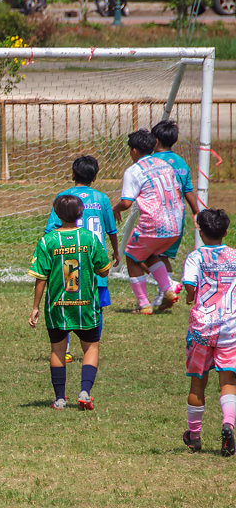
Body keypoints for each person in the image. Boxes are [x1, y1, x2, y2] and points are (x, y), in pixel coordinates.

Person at [29, 194, 112, 410]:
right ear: (81, 214)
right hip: (85, 304)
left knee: (57, 350)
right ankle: (84, 391)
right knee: (91, 347)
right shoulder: (90, 238)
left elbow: (41, 277)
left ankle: (60, 399)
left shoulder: (47, 241)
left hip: (57, 306)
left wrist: (36, 307)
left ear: (56, 214)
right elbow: (103, 268)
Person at [45, 156, 120, 363]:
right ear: (95, 177)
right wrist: (116, 251)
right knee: (97, 305)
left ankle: (65, 349)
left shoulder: (63, 196)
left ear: (73, 174)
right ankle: (92, 346)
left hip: (71, 261)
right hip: (96, 262)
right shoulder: (103, 199)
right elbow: (111, 229)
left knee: (68, 300)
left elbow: (50, 229)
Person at [180, 208, 236, 456]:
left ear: (200, 232)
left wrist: (191, 297)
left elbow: (190, 287)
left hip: (203, 328)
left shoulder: (195, 257)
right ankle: (228, 424)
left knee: (197, 383)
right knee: (228, 382)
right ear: (226, 232)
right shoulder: (234, 256)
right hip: (231, 328)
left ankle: (194, 436)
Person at [112, 129, 185, 315]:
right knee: (149, 254)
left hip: (154, 223)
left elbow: (126, 202)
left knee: (131, 257)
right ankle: (167, 289)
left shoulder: (134, 170)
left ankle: (144, 305)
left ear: (134, 150)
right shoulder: (164, 164)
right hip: (176, 221)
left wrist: (115, 209)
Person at [150, 119, 201, 307]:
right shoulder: (181, 163)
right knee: (162, 257)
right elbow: (187, 190)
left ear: (155, 140)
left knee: (140, 255)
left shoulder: (153, 162)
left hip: (158, 215)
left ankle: (168, 286)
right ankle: (162, 295)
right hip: (177, 217)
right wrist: (196, 212)